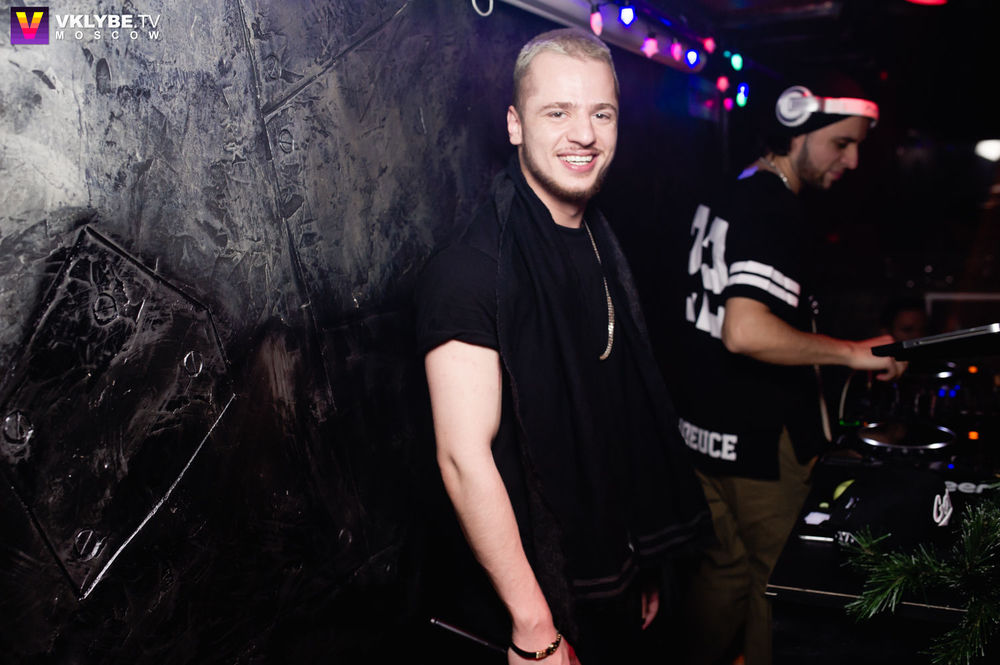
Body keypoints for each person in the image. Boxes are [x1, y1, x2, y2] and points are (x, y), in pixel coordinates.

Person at [415, 28, 710, 665]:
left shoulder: (602, 242)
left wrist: (639, 558)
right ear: (515, 124)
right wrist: (534, 627)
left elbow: (616, 414)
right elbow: (463, 459)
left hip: (609, 575)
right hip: (532, 605)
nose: (584, 135)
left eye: (602, 114)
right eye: (558, 112)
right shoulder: (471, 269)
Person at [665, 73, 906, 665]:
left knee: (724, 569)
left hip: (704, 434)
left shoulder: (732, 190)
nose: (851, 161)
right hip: (759, 444)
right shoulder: (774, 207)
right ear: (797, 128)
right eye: (841, 143)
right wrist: (852, 352)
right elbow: (745, 330)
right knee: (779, 584)